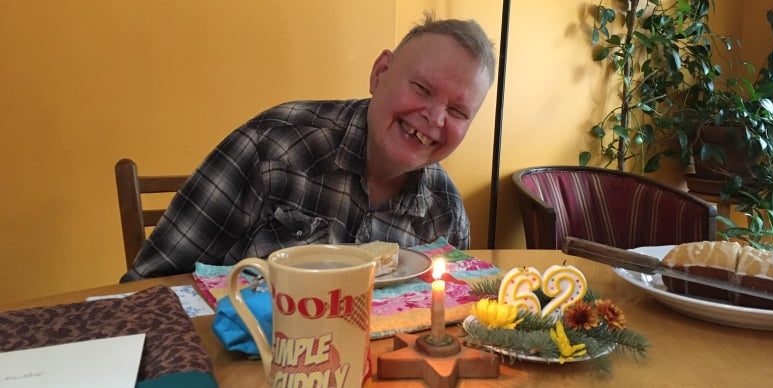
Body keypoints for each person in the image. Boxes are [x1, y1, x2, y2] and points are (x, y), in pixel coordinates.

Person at [121, 14, 495, 281]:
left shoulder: (446, 213)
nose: (434, 117)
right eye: (422, 89)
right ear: (380, 74)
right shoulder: (275, 146)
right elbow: (148, 287)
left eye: (458, 110)